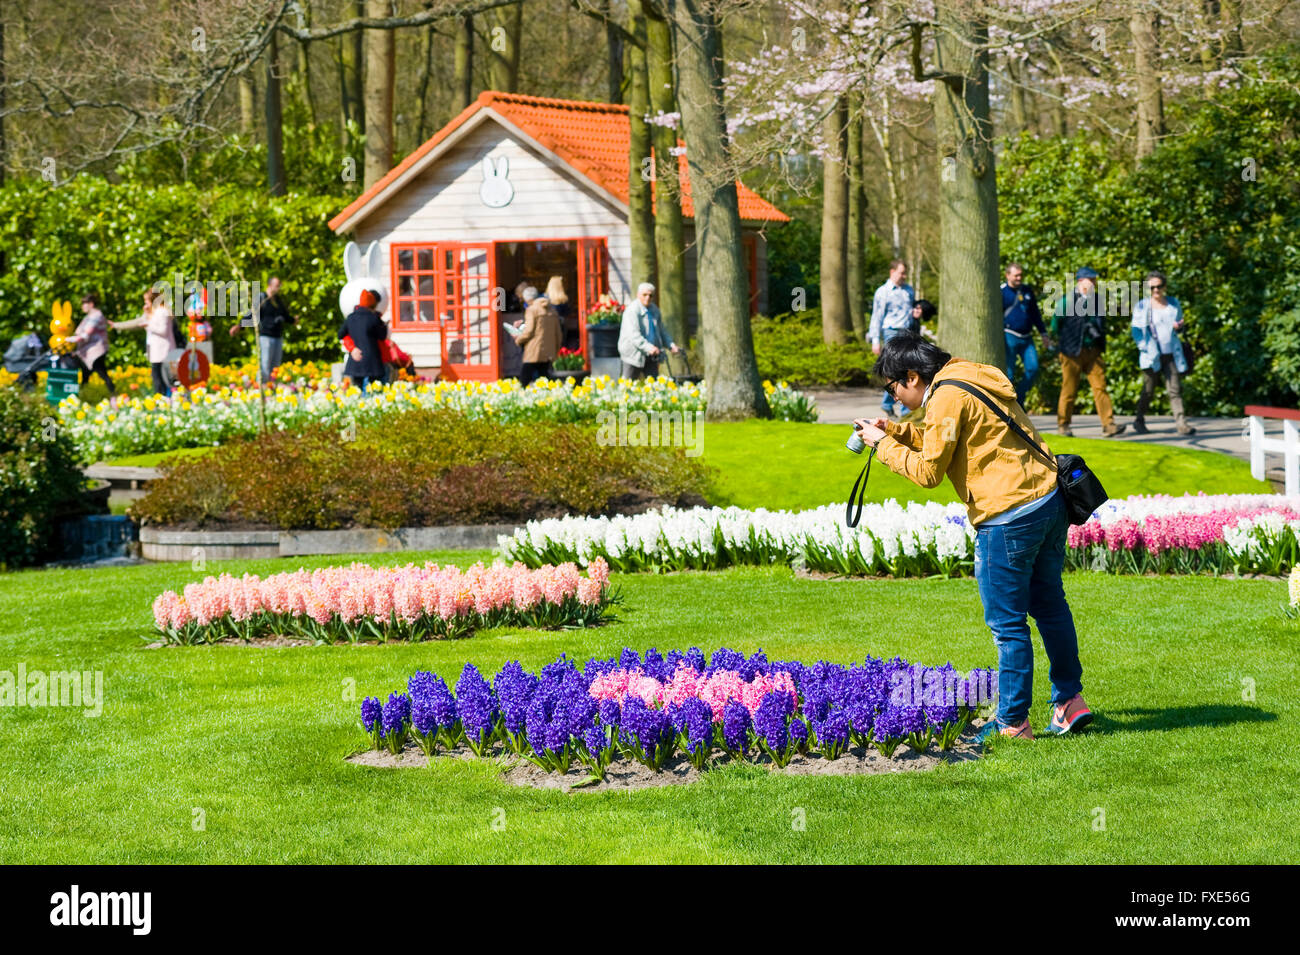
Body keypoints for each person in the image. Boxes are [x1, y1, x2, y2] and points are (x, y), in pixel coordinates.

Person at [853, 331, 1093, 742]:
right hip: (1048, 502)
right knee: (1051, 606)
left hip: (1007, 516)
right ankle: (1071, 703)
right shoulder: (971, 373)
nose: (894, 398)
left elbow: (929, 472)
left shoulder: (945, 397)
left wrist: (881, 446)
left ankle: (1013, 724)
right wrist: (893, 430)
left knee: (1008, 624)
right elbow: (951, 437)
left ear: (912, 376)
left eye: (893, 389)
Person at [1050, 266, 1125, 438]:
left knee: (1100, 388)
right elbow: (1055, 324)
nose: (1093, 283)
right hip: (1071, 351)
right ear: (1080, 281)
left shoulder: (1097, 299)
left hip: (1093, 351)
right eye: (1090, 280)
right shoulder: (1067, 300)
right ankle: (1063, 425)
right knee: (1069, 389)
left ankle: (1109, 425)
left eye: (1094, 280)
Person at [1131, 271, 1195, 436]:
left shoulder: (1173, 304)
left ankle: (1181, 424)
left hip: (1171, 354)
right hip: (1151, 356)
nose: (1156, 290)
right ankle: (1139, 420)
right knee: (1148, 391)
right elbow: (1136, 331)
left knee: (1175, 390)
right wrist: (1145, 348)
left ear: (1164, 287)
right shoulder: (1142, 306)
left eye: (1159, 286)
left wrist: (1179, 327)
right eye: (1152, 287)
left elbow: (1180, 325)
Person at [868, 259, 916, 417]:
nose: (904, 276)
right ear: (892, 272)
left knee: (903, 372)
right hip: (891, 333)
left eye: (905, 273)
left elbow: (911, 312)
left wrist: (916, 314)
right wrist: (875, 340)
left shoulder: (908, 290)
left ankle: (889, 404)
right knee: (897, 372)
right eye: (901, 272)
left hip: (907, 333)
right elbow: (877, 317)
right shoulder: (883, 292)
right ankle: (904, 409)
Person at [1001, 263, 1052, 408]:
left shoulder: (1027, 291)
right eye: (1016, 275)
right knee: (1009, 373)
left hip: (1027, 337)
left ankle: (1019, 398)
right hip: (1009, 335)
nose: (1019, 278)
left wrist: (1043, 333)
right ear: (1008, 275)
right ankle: (1009, 406)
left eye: (1020, 275)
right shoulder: (1002, 292)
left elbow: (1035, 314)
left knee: (1033, 368)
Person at [110, 288, 176, 397]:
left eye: (146, 300)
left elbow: (163, 331)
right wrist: (116, 325)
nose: (145, 303)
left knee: (162, 380)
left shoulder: (163, 312)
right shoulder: (153, 312)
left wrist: (148, 325)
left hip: (163, 351)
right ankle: (161, 401)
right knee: (157, 379)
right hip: (156, 351)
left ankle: (164, 401)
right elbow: (137, 322)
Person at [230, 276, 294, 383]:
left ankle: (272, 388)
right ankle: (260, 387)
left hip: (278, 336)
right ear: (270, 285)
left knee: (275, 366)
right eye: (277, 286)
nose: (279, 288)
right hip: (266, 337)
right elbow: (251, 314)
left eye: (279, 286)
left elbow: (285, 315)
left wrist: (293, 320)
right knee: (265, 364)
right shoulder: (262, 298)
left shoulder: (278, 301)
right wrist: (239, 326)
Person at [618, 282, 680, 380]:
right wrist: (649, 347)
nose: (648, 298)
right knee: (627, 386)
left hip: (651, 355)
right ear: (638, 295)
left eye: (650, 295)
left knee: (653, 386)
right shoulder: (632, 311)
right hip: (633, 355)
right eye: (645, 295)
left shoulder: (654, 310)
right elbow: (634, 335)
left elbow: (661, 331)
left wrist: (671, 345)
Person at [338, 288, 388, 390]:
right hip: (372, 360)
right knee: (375, 388)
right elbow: (382, 336)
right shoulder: (374, 318)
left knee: (356, 389)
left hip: (356, 359)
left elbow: (340, 334)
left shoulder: (351, 317)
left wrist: (352, 348)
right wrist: (384, 325)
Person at [516, 286, 564, 385]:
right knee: (544, 378)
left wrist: (518, 340)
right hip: (548, 351)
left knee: (524, 379)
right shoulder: (552, 310)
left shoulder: (531, 310)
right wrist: (556, 348)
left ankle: (517, 398)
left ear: (528, 299)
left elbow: (529, 331)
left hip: (534, 350)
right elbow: (558, 333)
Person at [69, 294, 114, 393]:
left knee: (102, 373)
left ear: (91, 304)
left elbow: (86, 334)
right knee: (86, 373)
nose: (82, 306)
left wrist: (69, 339)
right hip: (88, 351)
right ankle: (83, 394)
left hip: (96, 351)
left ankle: (113, 394)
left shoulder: (97, 316)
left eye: (84, 304)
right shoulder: (88, 317)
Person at [546, 275, 579, 351]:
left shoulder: (544, 298)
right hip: (561, 326)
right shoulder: (563, 300)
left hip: (548, 325)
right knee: (561, 346)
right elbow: (568, 313)